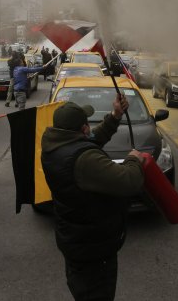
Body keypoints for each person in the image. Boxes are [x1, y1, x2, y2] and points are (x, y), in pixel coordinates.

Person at [41, 95, 144, 301]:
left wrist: (115, 115)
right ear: (83, 129)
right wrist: (134, 159)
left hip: (76, 241)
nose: (89, 127)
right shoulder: (84, 159)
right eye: (87, 122)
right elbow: (129, 181)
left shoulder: (55, 145)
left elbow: (93, 139)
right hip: (93, 251)